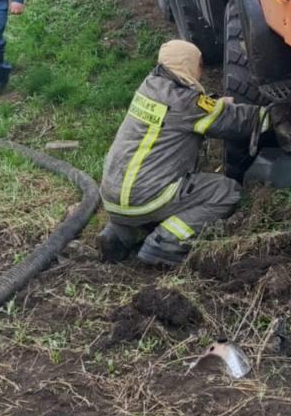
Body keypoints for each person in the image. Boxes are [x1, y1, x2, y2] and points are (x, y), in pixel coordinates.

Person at [96, 40, 269, 268]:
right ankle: (165, 242)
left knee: (142, 199)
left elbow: (183, 112)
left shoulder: (149, 88)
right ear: (188, 64)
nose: (201, 70)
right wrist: (272, 115)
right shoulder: (186, 102)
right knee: (226, 192)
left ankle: (118, 235)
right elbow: (235, 121)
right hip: (147, 197)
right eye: (199, 64)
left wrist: (212, 104)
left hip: (112, 197)